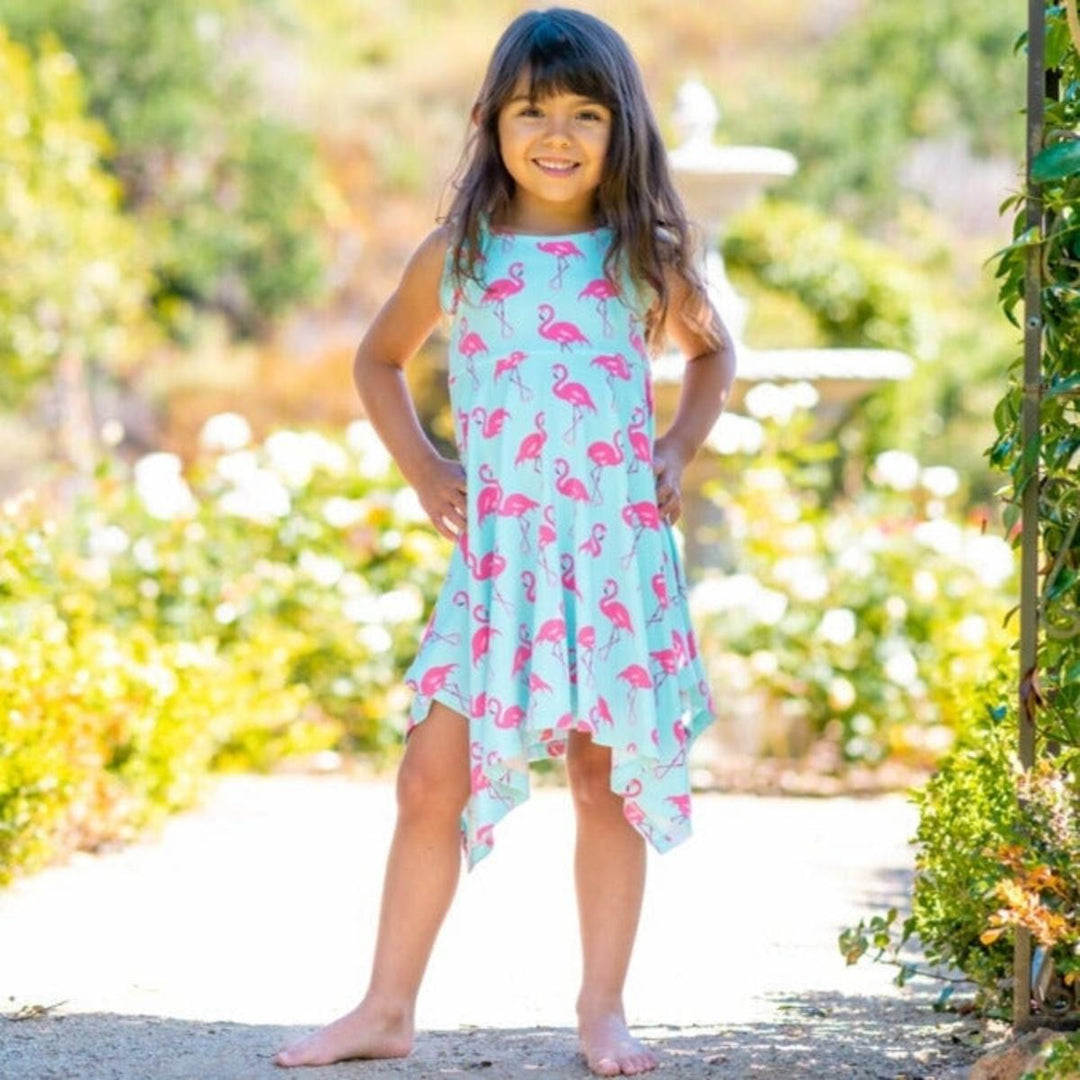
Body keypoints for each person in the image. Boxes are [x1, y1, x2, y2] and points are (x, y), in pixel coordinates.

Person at [274, 7, 736, 1076]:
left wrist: (676, 447)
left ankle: (603, 1011)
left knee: (603, 781)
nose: (557, 135)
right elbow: (377, 361)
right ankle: (386, 1008)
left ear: (622, 128)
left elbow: (713, 354)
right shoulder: (461, 254)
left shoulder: (643, 256)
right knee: (428, 780)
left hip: (611, 557)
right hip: (499, 565)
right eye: (534, 112)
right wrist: (427, 468)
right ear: (493, 121)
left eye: (585, 114)